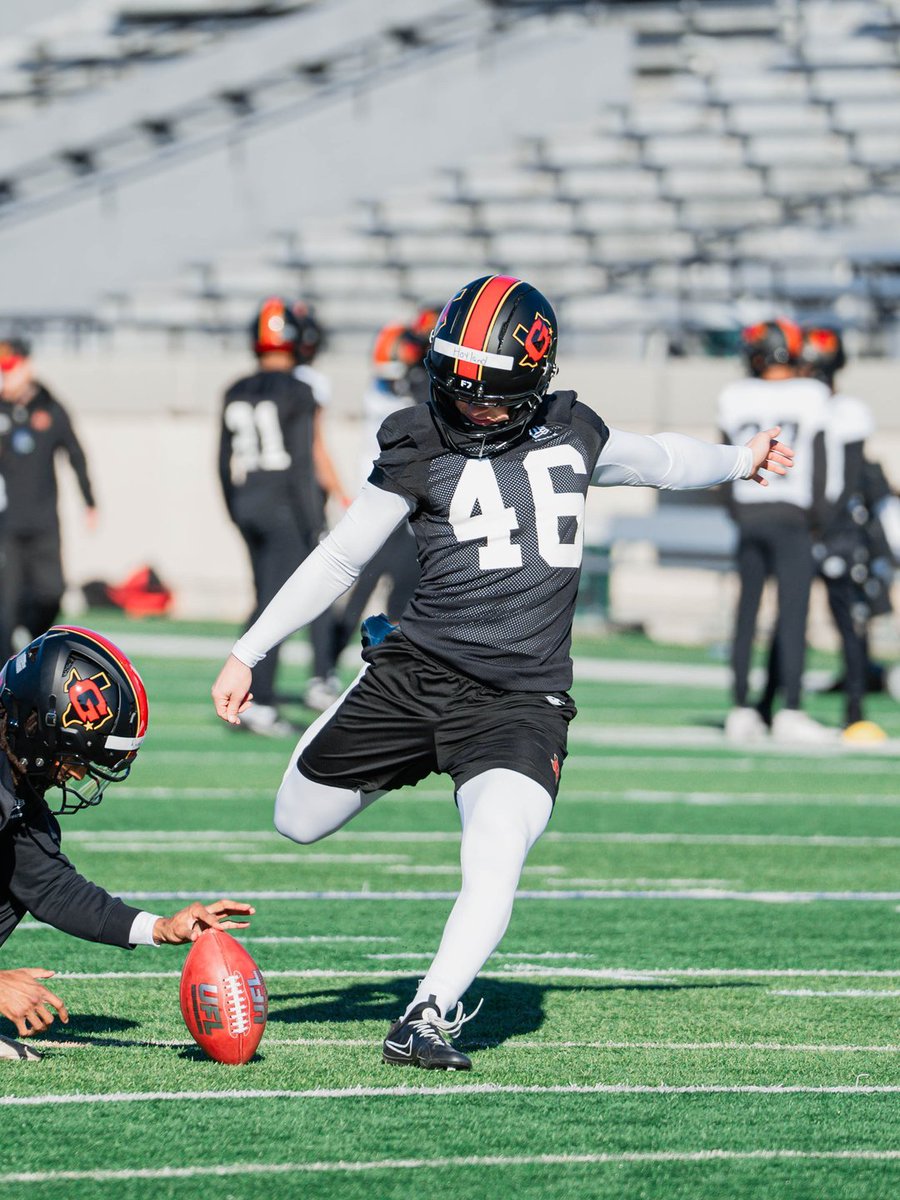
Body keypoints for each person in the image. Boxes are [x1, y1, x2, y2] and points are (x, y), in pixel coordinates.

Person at [212, 274, 794, 1071]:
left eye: (493, 395)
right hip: (417, 674)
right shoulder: (419, 442)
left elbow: (660, 458)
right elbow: (342, 554)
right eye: (461, 388)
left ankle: (427, 1013)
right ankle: (383, 700)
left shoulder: (573, 430)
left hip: (521, 699)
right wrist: (251, 649)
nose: (474, 407)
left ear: (534, 386)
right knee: (296, 819)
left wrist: (741, 458)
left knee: (498, 848)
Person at [0, 624, 254, 1060]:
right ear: (36, 728)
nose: (78, 774)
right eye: (76, 757)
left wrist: (161, 928)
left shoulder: (14, 787)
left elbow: (52, 889)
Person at [218, 298, 348, 735]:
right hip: (283, 509)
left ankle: (253, 694)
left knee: (263, 598)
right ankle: (260, 701)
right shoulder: (299, 390)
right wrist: (313, 522)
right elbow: (301, 464)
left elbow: (221, 462)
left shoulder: (236, 389)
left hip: (248, 502)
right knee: (277, 606)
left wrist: (235, 510)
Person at [718, 319, 834, 745]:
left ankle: (740, 707)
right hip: (792, 514)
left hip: (750, 510)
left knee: (746, 614)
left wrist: (736, 510)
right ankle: (791, 708)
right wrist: (818, 517)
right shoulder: (813, 393)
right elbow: (821, 461)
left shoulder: (735, 395)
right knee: (793, 613)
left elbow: (726, 459)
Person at [796, 328, 900, 737]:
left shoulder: (848, 411)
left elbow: (853, 473)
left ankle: (854, 706)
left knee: (850, 619)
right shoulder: (794, 407)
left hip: (836, 527)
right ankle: (778, 703)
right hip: (808, 523)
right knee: (793, 616)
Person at [0, 338, 97, 661]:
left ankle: (29, 639)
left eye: (10, 370)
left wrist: (89, 500)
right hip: (6, 526)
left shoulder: (50, 406)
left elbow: (75, 452)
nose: (5, 377)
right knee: (5, 606)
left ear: (27, 367)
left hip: (43, 522)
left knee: (51, 593)